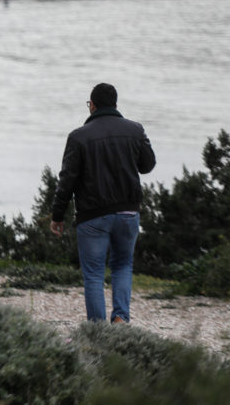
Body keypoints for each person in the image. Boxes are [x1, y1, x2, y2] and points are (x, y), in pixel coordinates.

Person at [49, 83, 155, 323]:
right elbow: (147, 165)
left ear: (92, 105)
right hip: (128, 212)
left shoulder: (78, 137)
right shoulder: (135, 130)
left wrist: (57, 215)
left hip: (92, 215)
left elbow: (67, 180)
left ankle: (97, 330)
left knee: (94, 275)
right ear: (116, 104)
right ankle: (120, 319)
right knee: (123, 266)